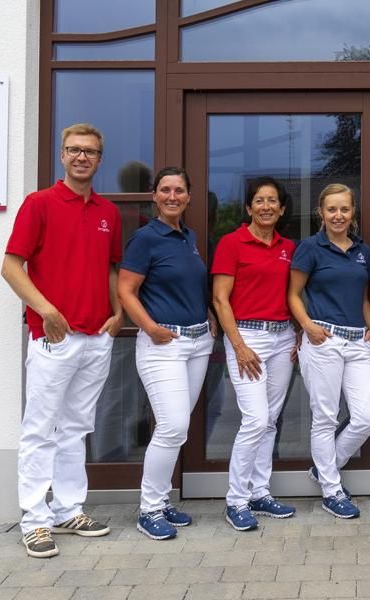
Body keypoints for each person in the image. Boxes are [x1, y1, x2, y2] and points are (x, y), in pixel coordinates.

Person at [2, 123, 121, 558]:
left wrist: (118, 313)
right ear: (62, 155)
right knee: (40, 429)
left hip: (95, 337)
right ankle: (34, 519)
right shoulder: (39, 204)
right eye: (74, 150)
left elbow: (111, 269)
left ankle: (68, 508)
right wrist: (47, 310)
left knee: (76, 428)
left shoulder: (109, 212)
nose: (81, 157)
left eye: (90, 151)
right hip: (55, 338)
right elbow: (11, 267)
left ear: (99, 158)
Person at [117, 167, 217, 540]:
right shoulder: (146, 238)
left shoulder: (188, 236)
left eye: (179, 190)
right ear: (154, 195)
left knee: (176, 428)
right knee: (173, 425)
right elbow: (126, 290)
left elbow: (189, 285)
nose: (172, 196)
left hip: (196, 342)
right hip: (164, 345)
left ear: (189, 196)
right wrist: (150, 327)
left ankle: (160, 500)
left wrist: (207, 315)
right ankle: (149, 509)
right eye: (165, 190)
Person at [211, 176, 298, 531]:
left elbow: (295, 294)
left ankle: (260, 491)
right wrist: (239, 345)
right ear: (248, 208)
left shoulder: (289, 247)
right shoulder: (232, 244)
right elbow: (220, 299)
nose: (266, 206)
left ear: (281, 209)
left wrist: (297, 333)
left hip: (282, 338)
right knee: (255, 419)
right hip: (247, 337)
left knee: (271, 419)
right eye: (259, 201)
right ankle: (236, 500)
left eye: (272, 201)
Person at [288, 184, 370, 519]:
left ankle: (326, 468)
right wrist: (308, 327)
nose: (338, 216)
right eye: (332, 210)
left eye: (344, 209)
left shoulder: (362, 250)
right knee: (325, 417)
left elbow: (363, 296)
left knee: (367, 417)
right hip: (323, 340)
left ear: (353, 212)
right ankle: (331, 489)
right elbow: (294, 295)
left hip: (357, 342)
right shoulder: (310, 248)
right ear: (320, 213)